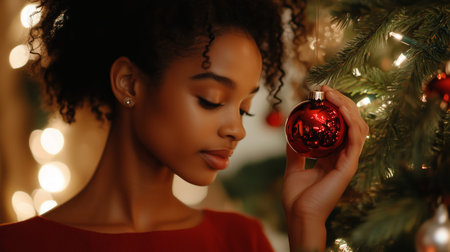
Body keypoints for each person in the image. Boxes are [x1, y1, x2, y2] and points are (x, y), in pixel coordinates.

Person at [0, 0, 369, 251]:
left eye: (244, 109)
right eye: (211, 99)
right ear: (129, 82)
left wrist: (306, 227)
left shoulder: (240, 240)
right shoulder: (18, 245)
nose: (236, 130)